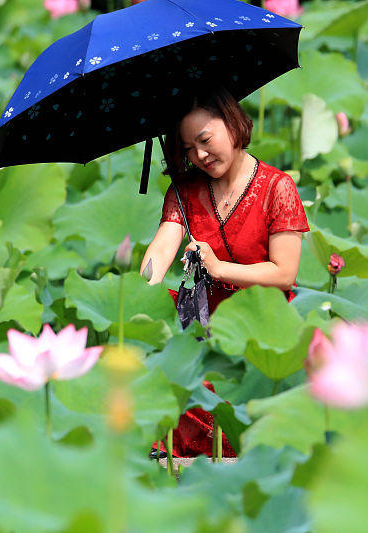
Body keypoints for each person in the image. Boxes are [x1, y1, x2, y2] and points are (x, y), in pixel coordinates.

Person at [139, 86, 310, 457]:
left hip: (264, 331)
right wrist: (137, 289)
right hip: (205, 327)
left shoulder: (278, 187)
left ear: (232, 124)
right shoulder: (184, 193)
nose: (199, 155)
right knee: (155, 350)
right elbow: (162, 250)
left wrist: (216, 267)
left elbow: (284, 273)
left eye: (204, 140)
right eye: (188, 149)